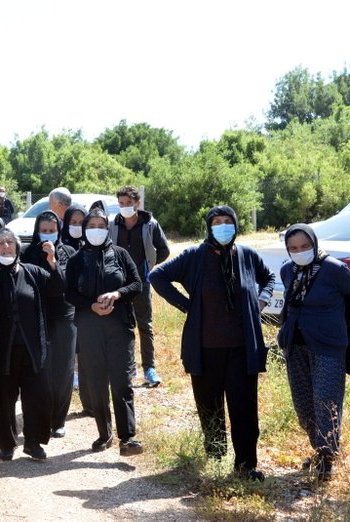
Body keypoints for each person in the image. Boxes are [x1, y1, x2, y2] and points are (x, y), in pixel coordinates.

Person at [150, 206, 274, 481]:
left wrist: (260, 302)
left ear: (236, 225)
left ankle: (246, 466)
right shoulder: (195, 256)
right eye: (216, 222)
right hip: (205, 349)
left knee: (244, 409)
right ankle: (216, 457)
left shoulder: (247, 255)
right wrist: (187, 305)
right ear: (208, 227)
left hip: (242, 349)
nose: (222, 226)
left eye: (227, 221)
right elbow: (156, 277)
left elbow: (269, 279)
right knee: (210, 408)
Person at [65, 208, 144, 457]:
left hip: (120, 327)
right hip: (89, 330)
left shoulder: (120, 254)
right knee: (97, 383)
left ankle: (128, 437)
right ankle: (104, 432)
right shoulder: (77, 259)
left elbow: (137, 284)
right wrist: (91, 305)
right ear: (85, 230)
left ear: (107, 227)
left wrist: (117, 294)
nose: (96, 230)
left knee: (121, 382)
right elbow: (69, 293)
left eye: (101, 225)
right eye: (92, 225)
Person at [277, 224, 350, 481]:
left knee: (325, 401)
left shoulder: (335, 270)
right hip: (295, 346)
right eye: (293, 248)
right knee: (304, 404)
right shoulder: (288, 270)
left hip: (328, 346)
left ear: (315, 244)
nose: (299, 252)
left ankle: (328, 457)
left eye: (305, 246)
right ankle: (319, 449)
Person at [0, 228, 64, 460]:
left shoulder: (32, 272)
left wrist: (52, 262)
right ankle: (7, 443)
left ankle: (33, 442)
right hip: (3, 350)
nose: (6, 247)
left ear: (18, 247)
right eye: (0, 243)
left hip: (32, 348)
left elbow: (57, 288)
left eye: (10, 242)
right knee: (4, 398)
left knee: (36, 396)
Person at [21, 211, 76, 438]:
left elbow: (67, 286)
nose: (47, 235)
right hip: (38, 316)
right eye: (43, 231)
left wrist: (53, 262)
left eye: (51, 231)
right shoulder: (27, 253)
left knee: (63, 370)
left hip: (64, 316)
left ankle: (58, 420)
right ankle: (39, 417)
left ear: (58, 231)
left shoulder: (69, 252)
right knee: (39, 369)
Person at [108, 186, 170, 387]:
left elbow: (164, 250)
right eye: (121, 204)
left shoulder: (149, 224)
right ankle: (128, 366)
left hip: (141, 282)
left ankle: (149, 368)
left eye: (128, 203)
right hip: (119, 284)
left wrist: (148, 265)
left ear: (137, 203)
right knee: (121, 326)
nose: (125, 207)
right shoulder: (113, 224)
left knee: (145, 325)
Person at [60, 204, 93, 416]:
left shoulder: (93, 244)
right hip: (66, 309)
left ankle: (89, 403)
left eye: (81, 222)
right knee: (68, 355)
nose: (77, 226)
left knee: (88, 356)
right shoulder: (60, 245)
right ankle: (61, 407)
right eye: (73, 222)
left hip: (88, 309)